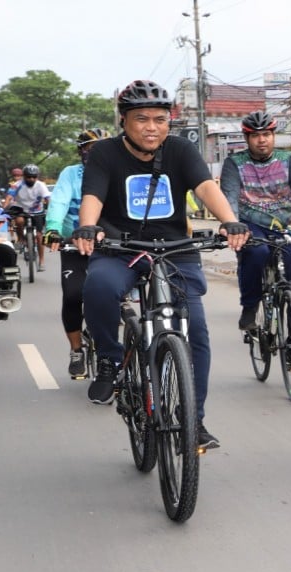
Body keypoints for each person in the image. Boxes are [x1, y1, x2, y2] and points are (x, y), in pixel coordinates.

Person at [72, 79, 249, 450]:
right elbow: (92, 195)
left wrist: (229, 219)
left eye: (160, 119)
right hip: (121, 247)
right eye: (141, 119)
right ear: (124, 121)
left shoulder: (182, 150)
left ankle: (193, 421)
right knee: (98, 288)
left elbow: (205, 188)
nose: (152, 127)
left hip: (174, 249)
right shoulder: (103, 153)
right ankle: (108, 358)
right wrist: (88, 226)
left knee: (196, 332)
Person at [220, 110, 291, 379]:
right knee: (256, 253)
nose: (262, 140)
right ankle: (249, 307)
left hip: (284, 226)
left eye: (267, 134)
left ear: (273, 136)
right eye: (256, 135)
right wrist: (231, 224)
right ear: (247, 138)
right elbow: (230, 197)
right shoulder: (234, 163)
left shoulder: (290, 160)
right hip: (250, 225)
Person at [44, 128, 111, 378]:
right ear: (81, 151)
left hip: (111, 244)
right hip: (75, 243)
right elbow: (59, 201)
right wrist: (52, 229)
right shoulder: (71, 174)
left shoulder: (116, 170)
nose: (96, 155)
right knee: (73, 295)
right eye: (90, 149)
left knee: (118, 296)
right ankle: (76, 350)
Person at [3, 164, 50, 271]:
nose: (31, 179)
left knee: (39, 236)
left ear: (37, 177)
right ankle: (22, 239)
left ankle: (41, 260)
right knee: (19, 221)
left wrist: (51, 210)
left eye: (34, 177)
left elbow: (48, 198)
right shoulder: (17, 185)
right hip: (21, 210)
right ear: (24, 176)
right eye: (28, 177)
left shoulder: (41, 185)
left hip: (37, 212)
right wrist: (3, 210)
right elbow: (9, 198)